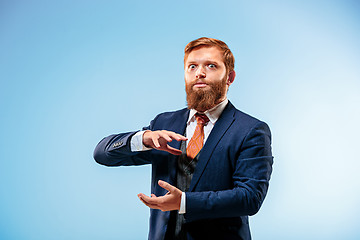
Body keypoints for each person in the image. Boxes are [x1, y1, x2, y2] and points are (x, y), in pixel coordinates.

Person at [93, 37, 273, 240]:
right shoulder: (164, 123)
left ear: (229, 77)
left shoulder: (251, 130)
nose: (200, 73)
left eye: (211, 66)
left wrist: (185, 202)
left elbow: (250, 198)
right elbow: (102, 154)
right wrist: (144, 138)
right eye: (192, 66)